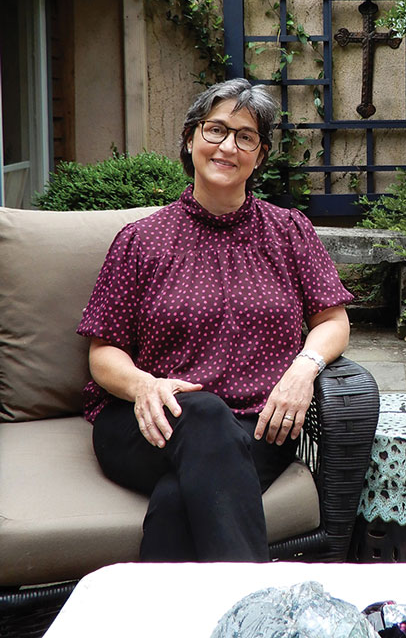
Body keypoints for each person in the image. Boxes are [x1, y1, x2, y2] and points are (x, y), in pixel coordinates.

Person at [77, 78, 352, 562]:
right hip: (147, 424)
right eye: (216, 130)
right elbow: (103, 352)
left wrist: (303, 368)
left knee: (176, 500)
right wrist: (144, 386)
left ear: (260, 155)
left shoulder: (289, 232)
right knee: (201, 410)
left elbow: (332, 319)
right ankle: (259, 614)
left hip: (258, 427)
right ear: (190, 139)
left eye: (245, 136)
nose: (228, 146)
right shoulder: (141, 240)